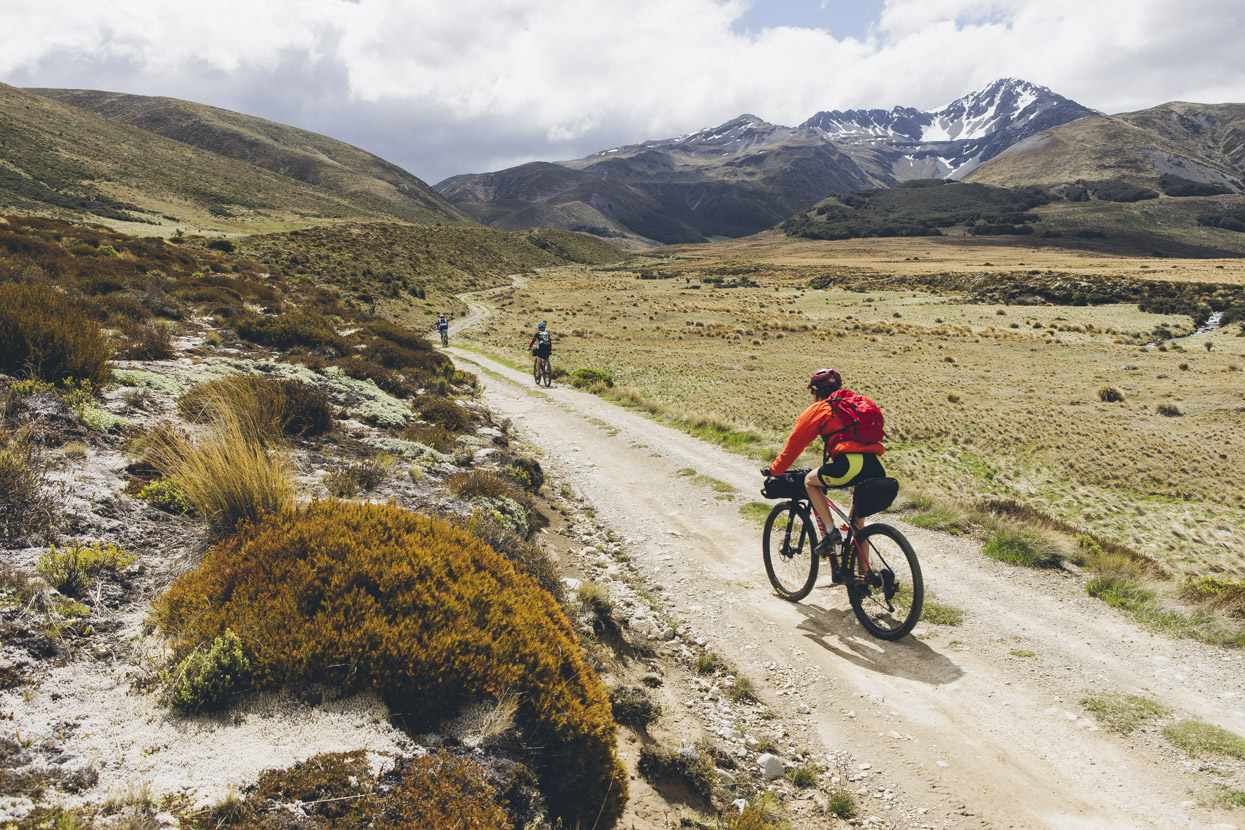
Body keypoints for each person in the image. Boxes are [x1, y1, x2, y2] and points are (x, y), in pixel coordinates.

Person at [761, 368, 885, 559]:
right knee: (857, 528)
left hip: (849, 465)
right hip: (875, 466)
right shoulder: (853, 405)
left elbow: (794, 446)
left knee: (810, 481)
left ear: (816, 391)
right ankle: (863, 579)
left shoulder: (821, 408)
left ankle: (830, 532)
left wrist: (775, 469)